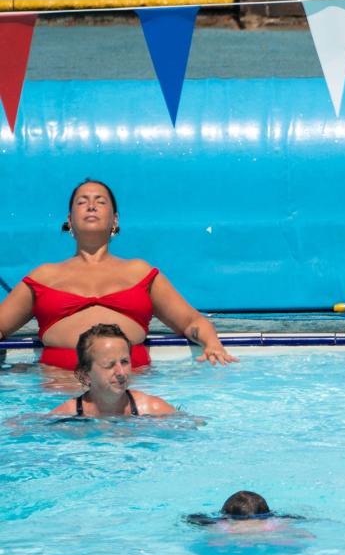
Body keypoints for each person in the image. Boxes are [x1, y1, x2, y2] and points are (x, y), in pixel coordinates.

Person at [0, 179, 236, 370]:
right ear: (69, 221)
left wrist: (212, 344)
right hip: (60, 391)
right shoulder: (44, 276)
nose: (91, 206)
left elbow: (192, 322)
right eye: (82, 202)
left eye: (100, 201)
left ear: (115, 220)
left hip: (130, 394)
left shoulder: (140, 273)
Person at [49, 323, 175, 417]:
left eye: (124, 362)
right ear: (86, 374)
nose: (121, 372)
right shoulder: (65, 417)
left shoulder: (153, 411)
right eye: (109, 365)